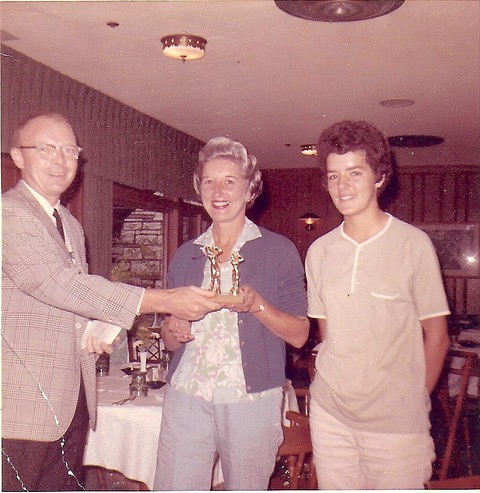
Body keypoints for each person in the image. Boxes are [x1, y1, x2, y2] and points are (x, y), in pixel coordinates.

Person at [1, 113, 221, 491]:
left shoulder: (69, 224)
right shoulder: (9, 214)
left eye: (69, 150)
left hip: (70, 403)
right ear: (18, 157)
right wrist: (162, 299)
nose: (60, 160)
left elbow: (66, 302)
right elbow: (53, 283)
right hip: (21, 409)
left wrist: (95, 325)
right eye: (46, 149)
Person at [153, 136, 309, 490]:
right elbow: (170, 341)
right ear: (199, 188)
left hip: (250, 399)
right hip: (188, 394)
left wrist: (257, 306)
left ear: (249, 190)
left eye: (229, 181)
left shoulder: (279, 250)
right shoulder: (187, 254)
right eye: (209, 181)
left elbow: (300, 334)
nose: (218, 191)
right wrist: (174, 328)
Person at [305, 120, 451, 489]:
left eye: (355, 173)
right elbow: (330, 338)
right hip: (330, 417)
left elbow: (437, 337)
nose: (343, 186)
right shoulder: (319, 252)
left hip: (396, 426)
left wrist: (413, 402)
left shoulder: (413, 245)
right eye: (334, 176)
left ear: (380, 177)